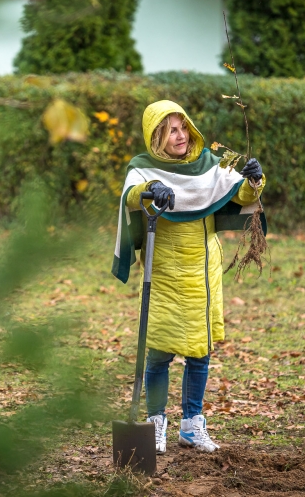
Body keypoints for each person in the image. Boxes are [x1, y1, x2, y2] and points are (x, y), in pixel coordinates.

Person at [111, 100, 266, 453]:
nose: (179, 136)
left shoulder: (208, 165)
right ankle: (155, 422)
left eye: (182, 128)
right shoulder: (143, 167)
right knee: (159, 352)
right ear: (156, 138)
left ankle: (192, 425)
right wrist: (151, 189)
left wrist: (255, 180)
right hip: (164, 269)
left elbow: (239, 194)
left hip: (204, 270)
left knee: (200, 352)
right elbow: (132, 195)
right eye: (170, 131)